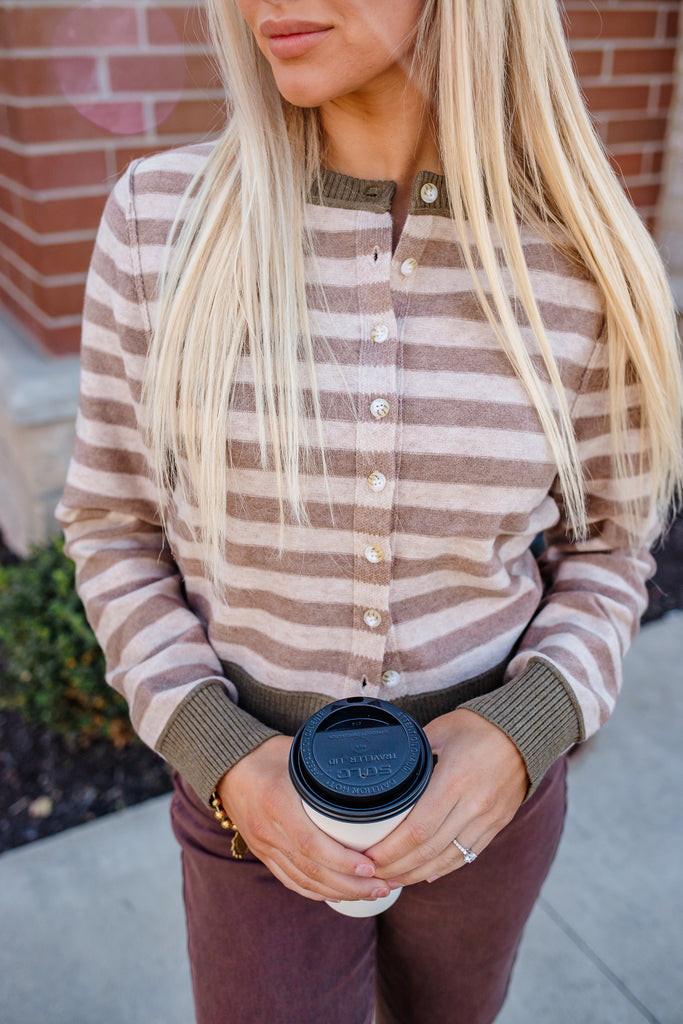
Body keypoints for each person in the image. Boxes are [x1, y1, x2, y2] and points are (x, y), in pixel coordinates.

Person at [56, 1, 683, 1022]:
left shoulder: (579, 255)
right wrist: (225, 757)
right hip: (243, 812)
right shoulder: (157, 222)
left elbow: (609, 544)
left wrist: (523, 733)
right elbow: (113, 526)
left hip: (491, 812)